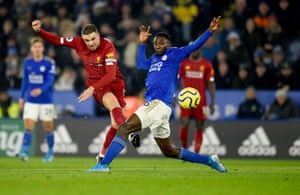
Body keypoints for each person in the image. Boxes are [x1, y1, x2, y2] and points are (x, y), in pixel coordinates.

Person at [88, 16, 227, 173]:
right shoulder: (153, 58)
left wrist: (209, 31)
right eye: (156, 42)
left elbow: (194, 46)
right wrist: (141, 44)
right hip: (161, 108)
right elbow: (141, 63)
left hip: (158, 104)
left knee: (124, 128)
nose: (158, 44)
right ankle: (210, 160)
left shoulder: (175, 54)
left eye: (162, 42)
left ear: (169, 44)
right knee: (170, 151)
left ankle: (103, 164)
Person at [31, 19, 140, 163]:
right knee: (112, 104)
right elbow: (57, 40)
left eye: (93, 39)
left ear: (99, 35)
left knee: (115, 123)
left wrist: (91, 89)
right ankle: (130, 133)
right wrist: (40, 31)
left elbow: (111, 75)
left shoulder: (107, 46)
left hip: (114, 82)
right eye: (87, 40)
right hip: (99, 86)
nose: (91, 43)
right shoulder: (78, 43)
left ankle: (101, 156)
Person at [16, 37, 56, 162]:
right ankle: (24, 151)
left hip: (46, 100)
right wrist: (21, 97)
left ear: (43, 48)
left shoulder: (49, 63)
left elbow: (50, 80)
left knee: (48, 127)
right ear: (31, 49)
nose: (37, 49)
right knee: (28, 125)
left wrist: (41, 90)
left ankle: (50, 152)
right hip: (31, 100)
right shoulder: (27, 63)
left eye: (39, 47)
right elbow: (25, 81)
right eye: (35, 47)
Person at [178, 47, 215, 153]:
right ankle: (184, 151)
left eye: (197, 49)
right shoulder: (184, 64)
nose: (194, 51)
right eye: (193, 49)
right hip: (185, 101)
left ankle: (196, 153)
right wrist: (173, 96)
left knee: (200, 125)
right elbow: (176, 80)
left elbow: (211, 83)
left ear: (200, 50)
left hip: (201, 101)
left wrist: (212, 102)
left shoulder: (207, 64)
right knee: (184, 122)